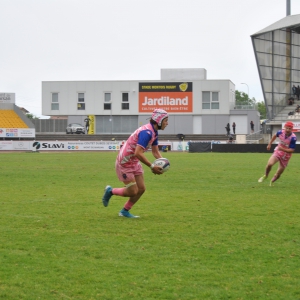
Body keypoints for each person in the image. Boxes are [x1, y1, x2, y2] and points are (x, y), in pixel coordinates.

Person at [101, 108, 169, 218]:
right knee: (133, 191)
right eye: (166, 120)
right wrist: (152, 166)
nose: (167, 123)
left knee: (141, 189)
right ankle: (110, 191)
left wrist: (163, 163)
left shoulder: (154, 132)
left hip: (134, 161)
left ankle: (124, 211)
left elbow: (155, 152)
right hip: (125, 162)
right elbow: (138, 152)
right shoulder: (146, 132)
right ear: (159, 120)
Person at [258, 121, 296, 186]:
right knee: (270, 164)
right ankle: (265, 175)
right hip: (278, 151)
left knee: (278, 174)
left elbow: (292, 150)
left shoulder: (293, 138)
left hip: (286, 156)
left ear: (292, 129)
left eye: (290, 128)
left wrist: (283, 149)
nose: (288, 130)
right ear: (284, 127)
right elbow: (274, 136)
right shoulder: (280, 132)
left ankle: (271, 182)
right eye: (287, 128)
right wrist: (269, 144)